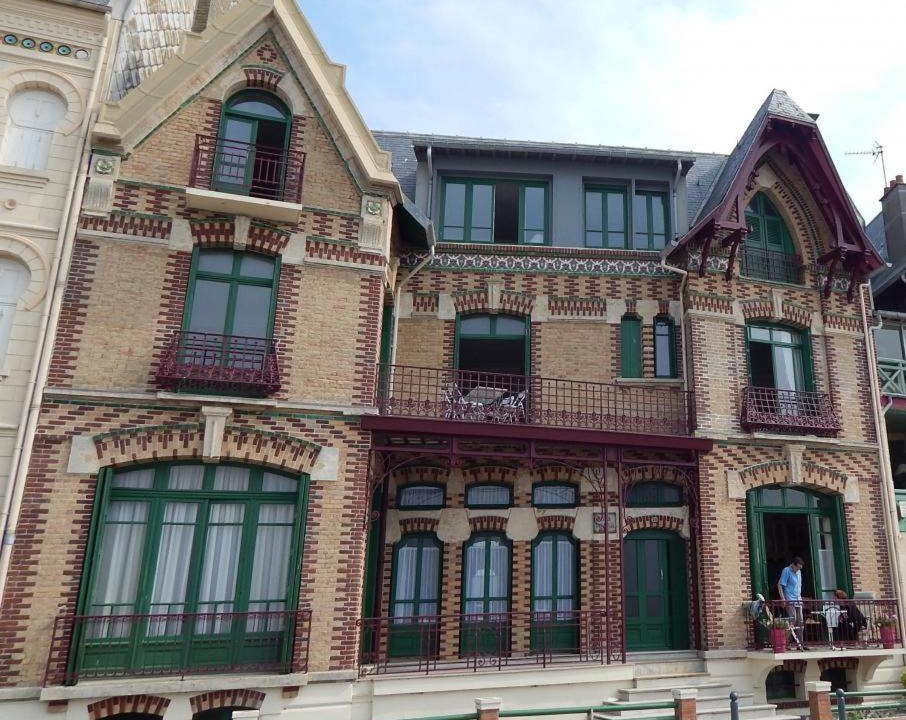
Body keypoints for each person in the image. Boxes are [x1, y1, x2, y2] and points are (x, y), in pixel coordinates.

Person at [777, 557, 807, 650]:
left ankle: (800, 644)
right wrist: (783, 599)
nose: (798, 570)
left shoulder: (799, 572)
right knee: (792, 621)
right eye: (797, 567)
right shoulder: (786, 570)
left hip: (798, 599)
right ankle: (785, 643)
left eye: (800, 568)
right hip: (790, 599)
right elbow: (780, 585)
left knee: (801, 622)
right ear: (793, 565)